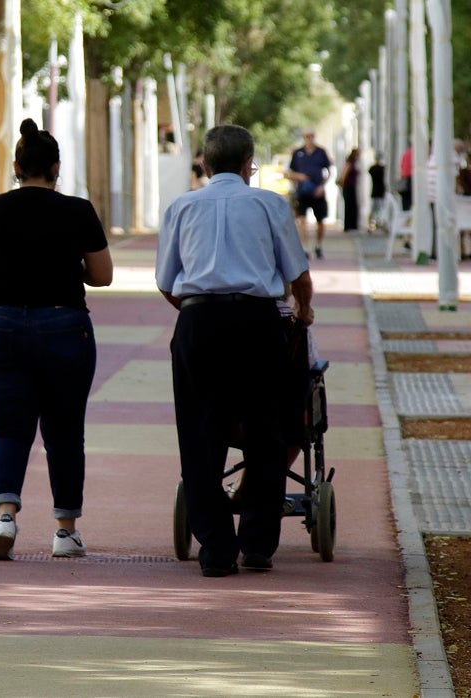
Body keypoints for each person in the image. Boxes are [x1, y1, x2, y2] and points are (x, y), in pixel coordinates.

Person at [156, 124, 314, 577]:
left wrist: (196, 311)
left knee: (200, 433)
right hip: (257, 323)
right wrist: (304, 309)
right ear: (249, 166)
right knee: (265, 429)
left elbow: (167, 283)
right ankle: (258, 543)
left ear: (204, 165)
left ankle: (216, 551)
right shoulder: (269, 204)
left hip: (198, 323)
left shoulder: (181, 207)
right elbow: (296, 273)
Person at [0, 118, 114, 561]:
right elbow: (102, 276)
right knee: (64, 432)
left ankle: (5, 517)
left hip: (1, 328)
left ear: (16, 167)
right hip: (65, 326)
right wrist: (69, 269)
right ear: (56, 168)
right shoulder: (78, 211)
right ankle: (65, 533)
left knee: (8, 429)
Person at [285, 128, 332, 259]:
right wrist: (298, 177)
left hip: (318, 191)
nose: (309, 138)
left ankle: (318, 245)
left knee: (321, 221)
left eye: (311, 136)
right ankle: (304, 247)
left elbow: (328, 172)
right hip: (302, 192)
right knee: (301, 219)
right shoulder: (297, 153)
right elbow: (290, 173)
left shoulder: (321, 152)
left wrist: (322, 186)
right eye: (306, 136)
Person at [337, 148, 360, 233]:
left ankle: (352, 225)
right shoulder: (350, 162)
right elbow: (344, 173)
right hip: (348, 187)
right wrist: (342, 181)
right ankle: (349, 225)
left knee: (352, 206)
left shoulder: (353, 162)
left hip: (351, 186)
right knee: (349, 206)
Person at [368, 154, 385, 230]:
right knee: (378, 209)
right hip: (380, 191)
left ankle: (372, 224)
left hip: (376, 191)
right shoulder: (382, 169)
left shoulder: (372, 169)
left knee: (374, 210)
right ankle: (375, 224)